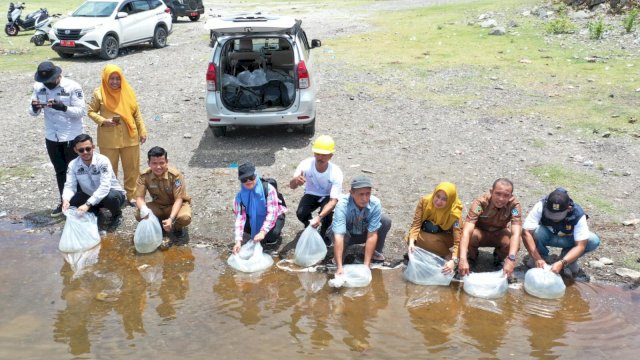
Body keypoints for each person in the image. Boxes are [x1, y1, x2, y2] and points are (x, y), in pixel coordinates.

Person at [29, 61, 86, 217]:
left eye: (50, 81)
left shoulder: (72, 87)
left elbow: (81, 111)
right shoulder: (38, 87)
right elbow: (32, 112)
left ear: (58, 76)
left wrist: (63, 108)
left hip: (71, 136)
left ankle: (81, 204)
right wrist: (35, 107)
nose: (47, 84)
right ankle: (64, 202)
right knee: (60, 171)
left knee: (76, 171)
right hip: (52, 136)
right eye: (44, 81)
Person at [87, 64, 147, 205]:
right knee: (109, 170)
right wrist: (103, 120)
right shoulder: (99, 93)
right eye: (111, 79)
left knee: (132, 168)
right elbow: (90, 111)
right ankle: (112, 196)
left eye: (117, 78)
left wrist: (142, 130)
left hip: (130, 136)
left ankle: (132, 195)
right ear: (105, 78)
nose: (114, 82)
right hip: (108, 139)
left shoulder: (128, 91)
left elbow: (136, 113)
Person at [521, 188, 600, 277]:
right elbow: (525, 232)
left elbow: (580, 246)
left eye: (558, 215)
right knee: (536, 231)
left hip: (569, 239)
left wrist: (562, 262)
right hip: (547, 236)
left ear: (568, 208)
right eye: (551, 214)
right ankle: (541, 257)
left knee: (593, 240)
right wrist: (537, 258)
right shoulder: (541, 206)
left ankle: (567, 260)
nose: (554, 218)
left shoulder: (578, 214)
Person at [326, 175, 392, 274]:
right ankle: (339, 257)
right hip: (346, 235)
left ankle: (372, 253)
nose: (364, 198)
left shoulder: (375, 203)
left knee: (385, 221)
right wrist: (339, 267)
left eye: (367, 194)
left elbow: (372, 234)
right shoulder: (342, 205)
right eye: (361, 194)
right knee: (333, 230)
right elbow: (339, 236)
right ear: (352, 193)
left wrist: (366, 265)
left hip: (363, 233)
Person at [458, 178, 523, 277]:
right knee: (470, 235)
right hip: (480, 233)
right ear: (491, 192)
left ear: (511, 196)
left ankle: (499, 258)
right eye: (498, 194)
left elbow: (516, 233)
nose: (501, 199)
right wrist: (462, 259)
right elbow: (467, 231)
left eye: (506, 195)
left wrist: (511, 259)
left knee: (515, 241)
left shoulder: (514, 206)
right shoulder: (480, 203)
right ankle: (471, 257)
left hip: (499, 233)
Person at [61, 134, 126, 229]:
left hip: (110, 194)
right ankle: (95, 213)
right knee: (73, 200)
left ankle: (117, 215)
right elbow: (70, 186)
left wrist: (88, 204)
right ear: (75, 150)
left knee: (111, 197)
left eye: (88, 148)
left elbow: (105, 187)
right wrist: (65, 200)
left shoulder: (103, 161)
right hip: (90, 196)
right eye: (81, 150)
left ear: (93, 147)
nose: (85, 152)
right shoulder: (73, 165)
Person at [289, 135, 343, 241]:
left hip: (328, 195)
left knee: (327, 215)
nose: (320, 157)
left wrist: (320, 216)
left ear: (330, 156)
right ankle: (310, 225)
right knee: (301, 213)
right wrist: (296, 181)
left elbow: (333, 201)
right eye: (317, 154)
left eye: (324, 155)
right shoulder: (306, 164)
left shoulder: (336, 172)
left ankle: (324, 234)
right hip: (311, 193)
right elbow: (291, 186)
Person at [134, 146, 192, 242]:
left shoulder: (175, 175)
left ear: (167, 161)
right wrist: (144, 209)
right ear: (148, 163)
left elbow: (179, 199)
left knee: (184, 218)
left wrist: (171, 218)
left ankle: (177, 228)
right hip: (159, 205)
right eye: (154, 163)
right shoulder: (144, 176)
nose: (158, 167)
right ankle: (158, 225)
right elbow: (139, 197)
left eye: (162, 163)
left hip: (177, 205)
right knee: (138, 214)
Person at [405, 182, 463, 274]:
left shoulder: (454, 212)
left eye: (444, 199)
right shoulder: (424, 201)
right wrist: (411, 243)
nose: (439, 201)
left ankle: (447, 254)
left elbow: (458, 240)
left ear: (450, 200)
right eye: (438, 196)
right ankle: (433, 251)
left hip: (447, 237)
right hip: (429, 232)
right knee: (410, 238)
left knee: (431, 241)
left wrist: (454, 260)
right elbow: (416, 224)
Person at [232, 163, 287, 254]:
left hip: (274, 215)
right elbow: (240, 217)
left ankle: (273, 235)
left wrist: (263, 232)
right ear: (240, 181)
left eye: (251, 177)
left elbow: (272, 213)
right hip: (253, 217)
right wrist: (238, 241)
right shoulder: (240, 196)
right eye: (244, 179)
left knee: (271, 237)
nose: (248, 181)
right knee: (247, 234)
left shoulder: (268, 189)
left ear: (255, 175)